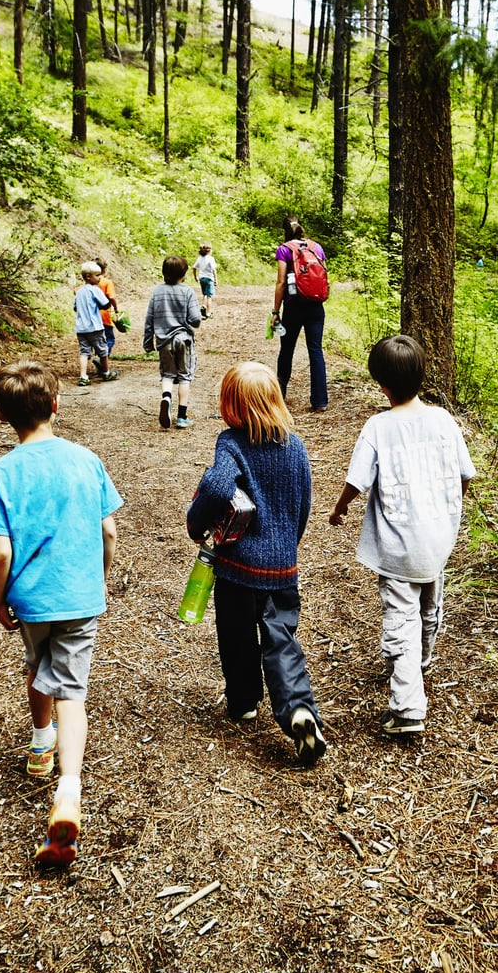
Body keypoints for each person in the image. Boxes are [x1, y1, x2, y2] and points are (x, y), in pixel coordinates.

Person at [0, 360, 122, 868]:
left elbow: (0, 553)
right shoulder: (86, 460)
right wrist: (99, 577)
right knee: (72, 690)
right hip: (79, 595)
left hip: (31, 599)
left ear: (0, 414)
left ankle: (40, 745)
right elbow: (109, 532)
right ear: (56, 405)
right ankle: (69, 791)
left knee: (39, 666)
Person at [328, 336, 476, 737]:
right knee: (430, 603)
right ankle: (419, 663)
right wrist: (447, 512)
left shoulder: (379, 426)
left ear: (383, 386)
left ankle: (409, 706)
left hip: (397, 544)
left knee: (401, 616)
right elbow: (464, 475)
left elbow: (356, 480)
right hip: (437, 538)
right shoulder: (444, 420)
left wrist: (339, 509)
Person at [187, 362, 327, 766]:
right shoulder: (295, 445)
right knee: (281, 639)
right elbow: (302, 504)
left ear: (231, 405)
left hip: (237, 569)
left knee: (237, 637)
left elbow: (216, 485)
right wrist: (287, 543)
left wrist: (197, 523)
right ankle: (298, 709)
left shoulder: (231, 443)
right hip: (282, 568)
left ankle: (244, 702)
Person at [271, 216, 329, 412]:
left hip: (294, 305)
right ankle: (320, 401)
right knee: (316, 350)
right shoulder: (317, 247)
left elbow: (280, 283)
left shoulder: (284, 249)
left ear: (285, 231)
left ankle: (280, 397)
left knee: (287, 349)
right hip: (316, 305)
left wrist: (275, 310)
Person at [143, 255, 204, 430]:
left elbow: (149, 319)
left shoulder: (157, 292)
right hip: (183, 339)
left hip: (164, 341)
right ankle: (182, 416)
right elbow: (195, 320)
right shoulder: (187, 292)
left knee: (168, 374)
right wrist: (198, 316)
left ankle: (166, 397)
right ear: (183, 274)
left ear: (164, 273)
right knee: (184, 376)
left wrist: (148, 342)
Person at [73, 263, 116, 385]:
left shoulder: (79, 292)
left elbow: (75, 308)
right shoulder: (95, 290)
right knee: (103, 349)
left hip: (81, 328)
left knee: (84, 352)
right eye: (97, 276)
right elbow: (106, 304)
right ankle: (106, 372)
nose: (99, 278)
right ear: (88, 277)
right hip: (95, 327)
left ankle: (83, 376)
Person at [95, 255, 129, 366]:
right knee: (109, 339)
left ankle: (98, 358)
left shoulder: (89, 283)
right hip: (105, 316)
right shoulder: (106, 282)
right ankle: (102, 359)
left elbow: (76, 291)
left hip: (92, 317)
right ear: (104, 270)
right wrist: (116, 308)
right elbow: (111, 297)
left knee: (97, 339)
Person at [194, 244, 218, 317]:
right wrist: (216, 279)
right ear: (209, 251)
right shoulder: (210, 258)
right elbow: (214, 270)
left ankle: (203, 306)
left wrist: (195, 277)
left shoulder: (200, 258)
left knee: (204, 294)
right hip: (209, 278)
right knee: (209, 296)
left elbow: (194, 268)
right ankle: (208, 313)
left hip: (201, 278)